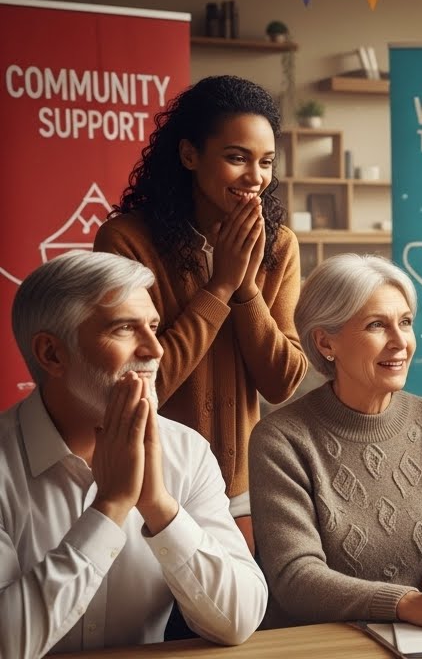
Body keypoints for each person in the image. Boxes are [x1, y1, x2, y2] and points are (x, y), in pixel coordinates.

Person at [0, 251, 266, 657]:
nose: (155, 350)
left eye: (154, 327)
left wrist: (160, 508)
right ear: (52, 354)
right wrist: (109, 509)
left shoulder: (186, 452)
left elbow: (239, 620)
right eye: (124, 328)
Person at [95, 74, 308, 553]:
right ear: (190, 155)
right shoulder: (126, 242)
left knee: (233, 624)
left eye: (266, 162)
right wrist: (221, 286)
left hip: (241, 492)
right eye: (237, 157)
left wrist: (247, 287)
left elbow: (283, 381)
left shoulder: (278, 246)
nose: (255, 176)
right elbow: (142, 382)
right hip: (150, 483)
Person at [250, 254, 422, 629]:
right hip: (320, 645)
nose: (400, 342)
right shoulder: (281, 440)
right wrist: (404, 604)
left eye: (405, 322)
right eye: (376, 325)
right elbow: (296, 577)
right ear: (325, 342)